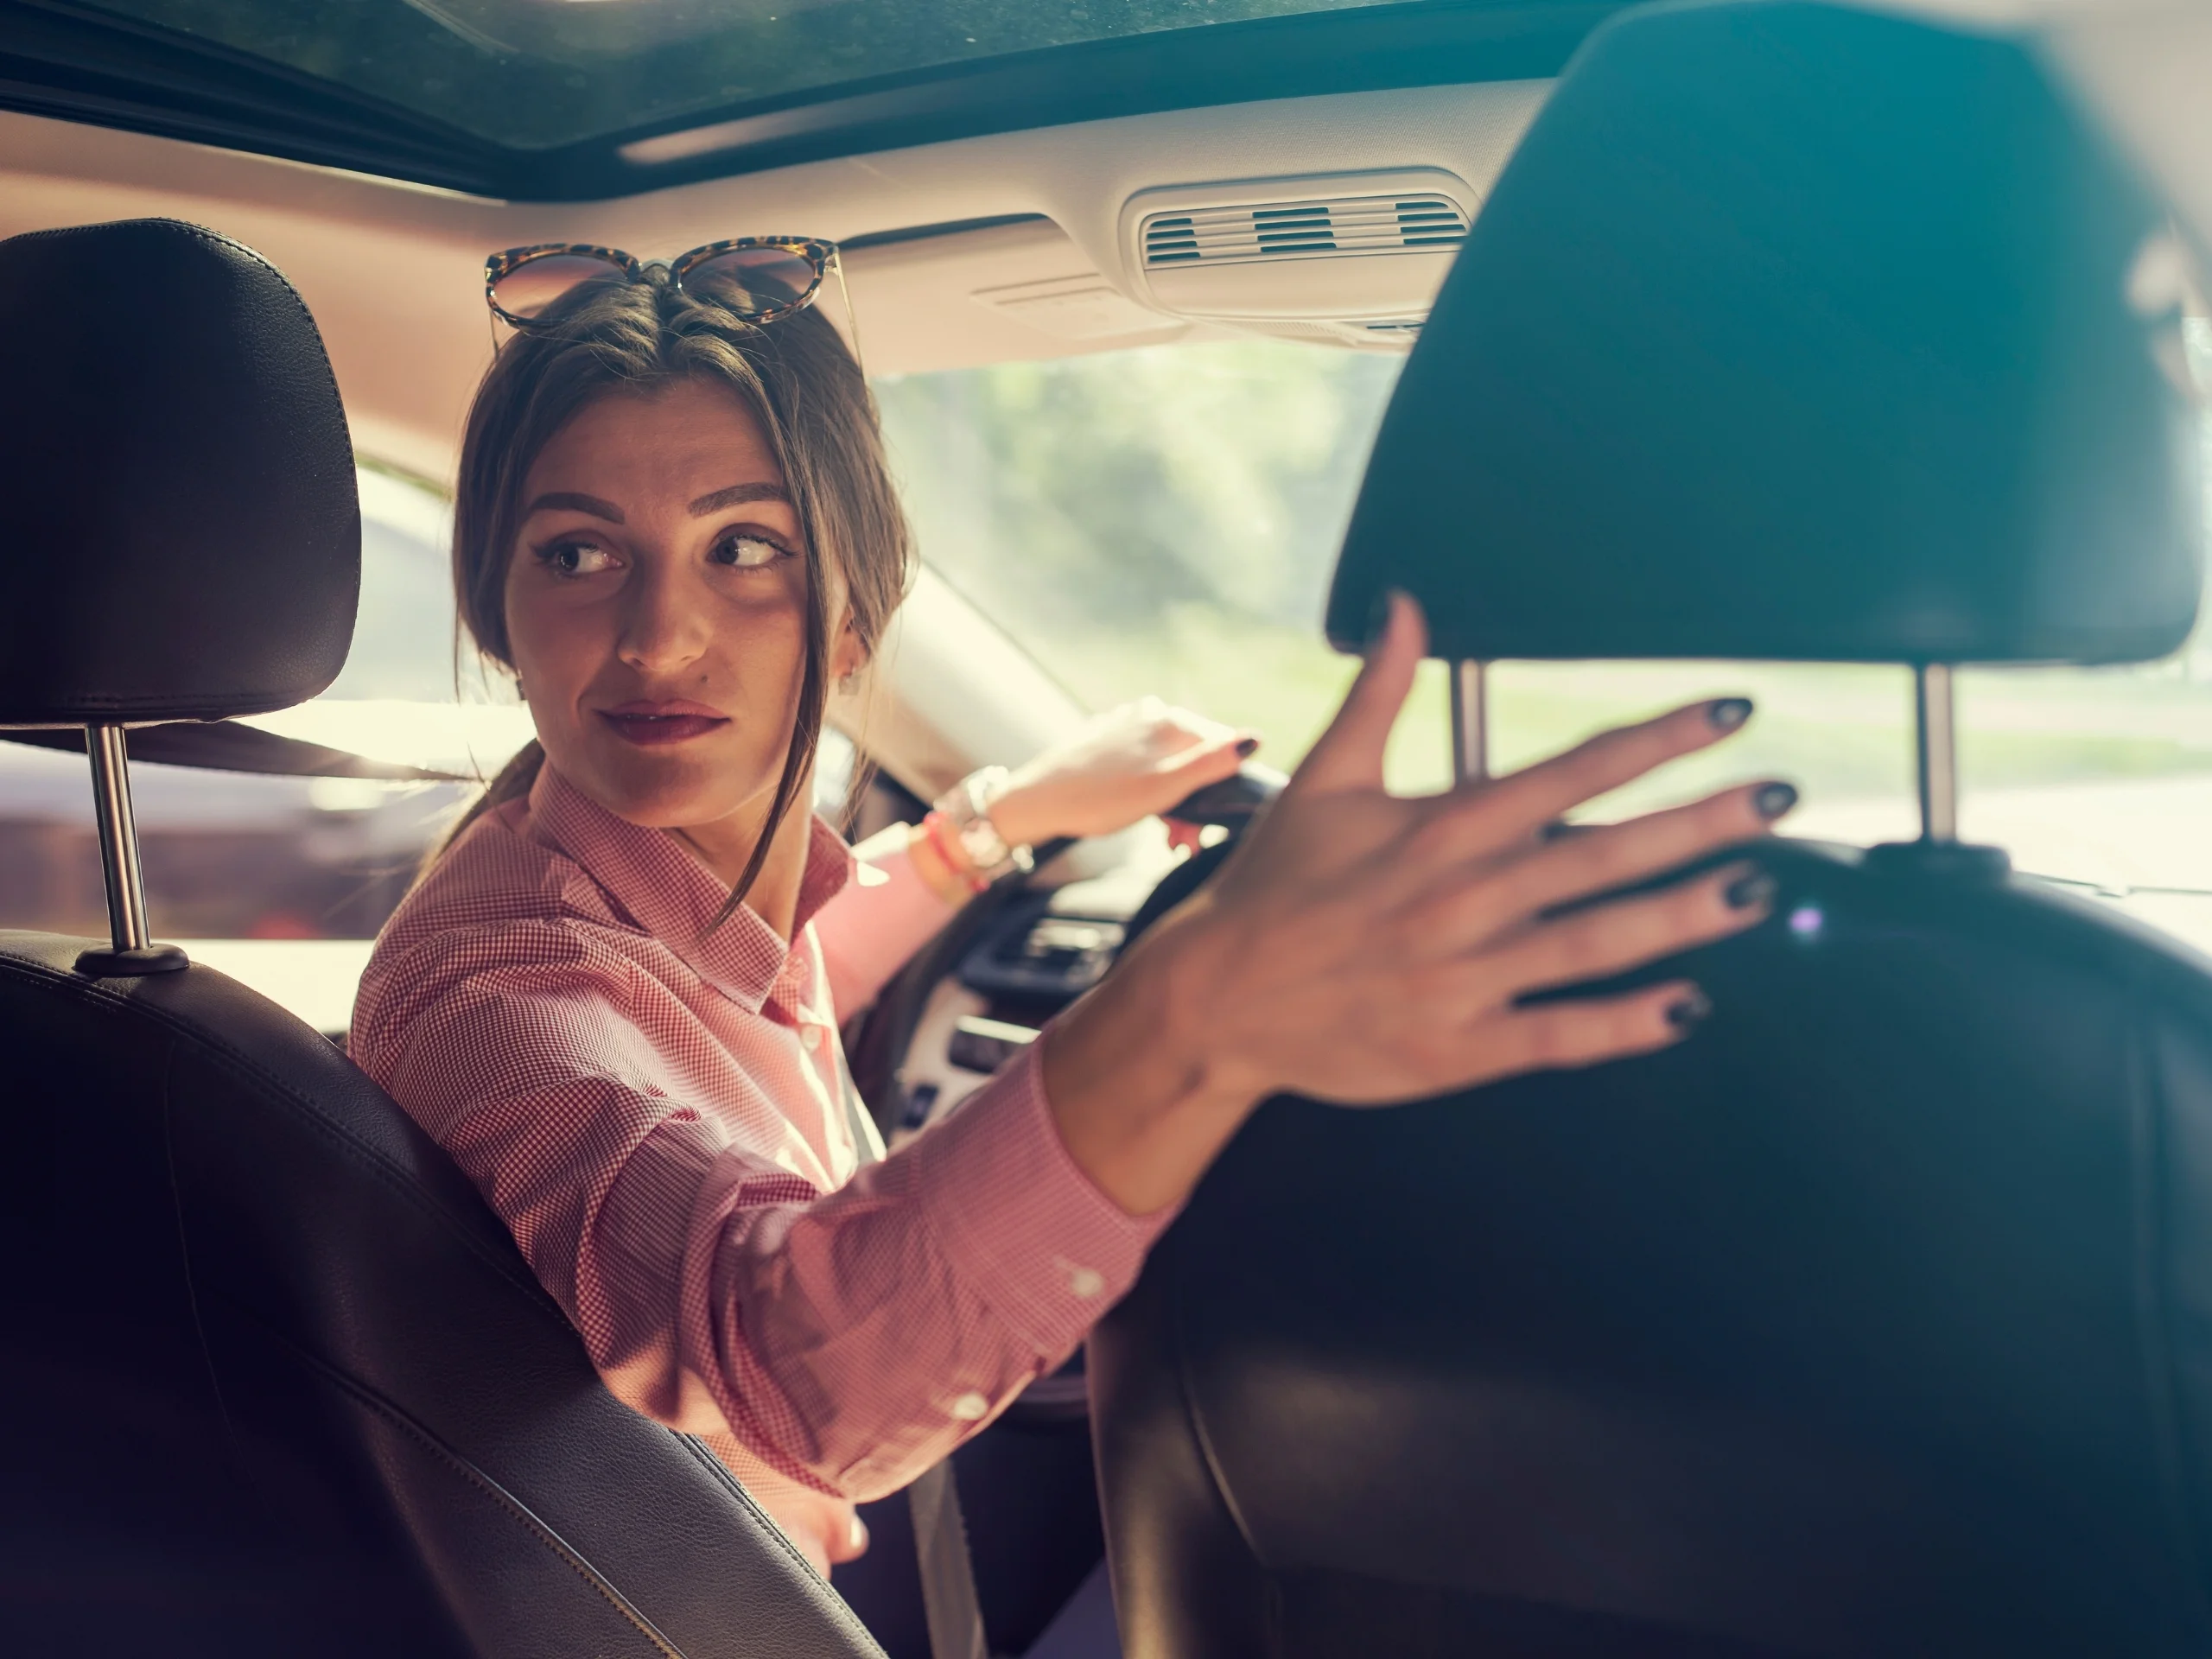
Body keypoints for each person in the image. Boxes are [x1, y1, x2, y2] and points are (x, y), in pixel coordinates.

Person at [349, 252, 1795, 1586]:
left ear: (858, 615)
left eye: (745, 547)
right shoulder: (497, 987)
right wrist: (1193, 1015)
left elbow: (743, 1000)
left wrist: (995, 826)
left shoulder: (608, 890)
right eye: (575, 555)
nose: (660, 635)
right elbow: (789, 1368)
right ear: (493, 605)